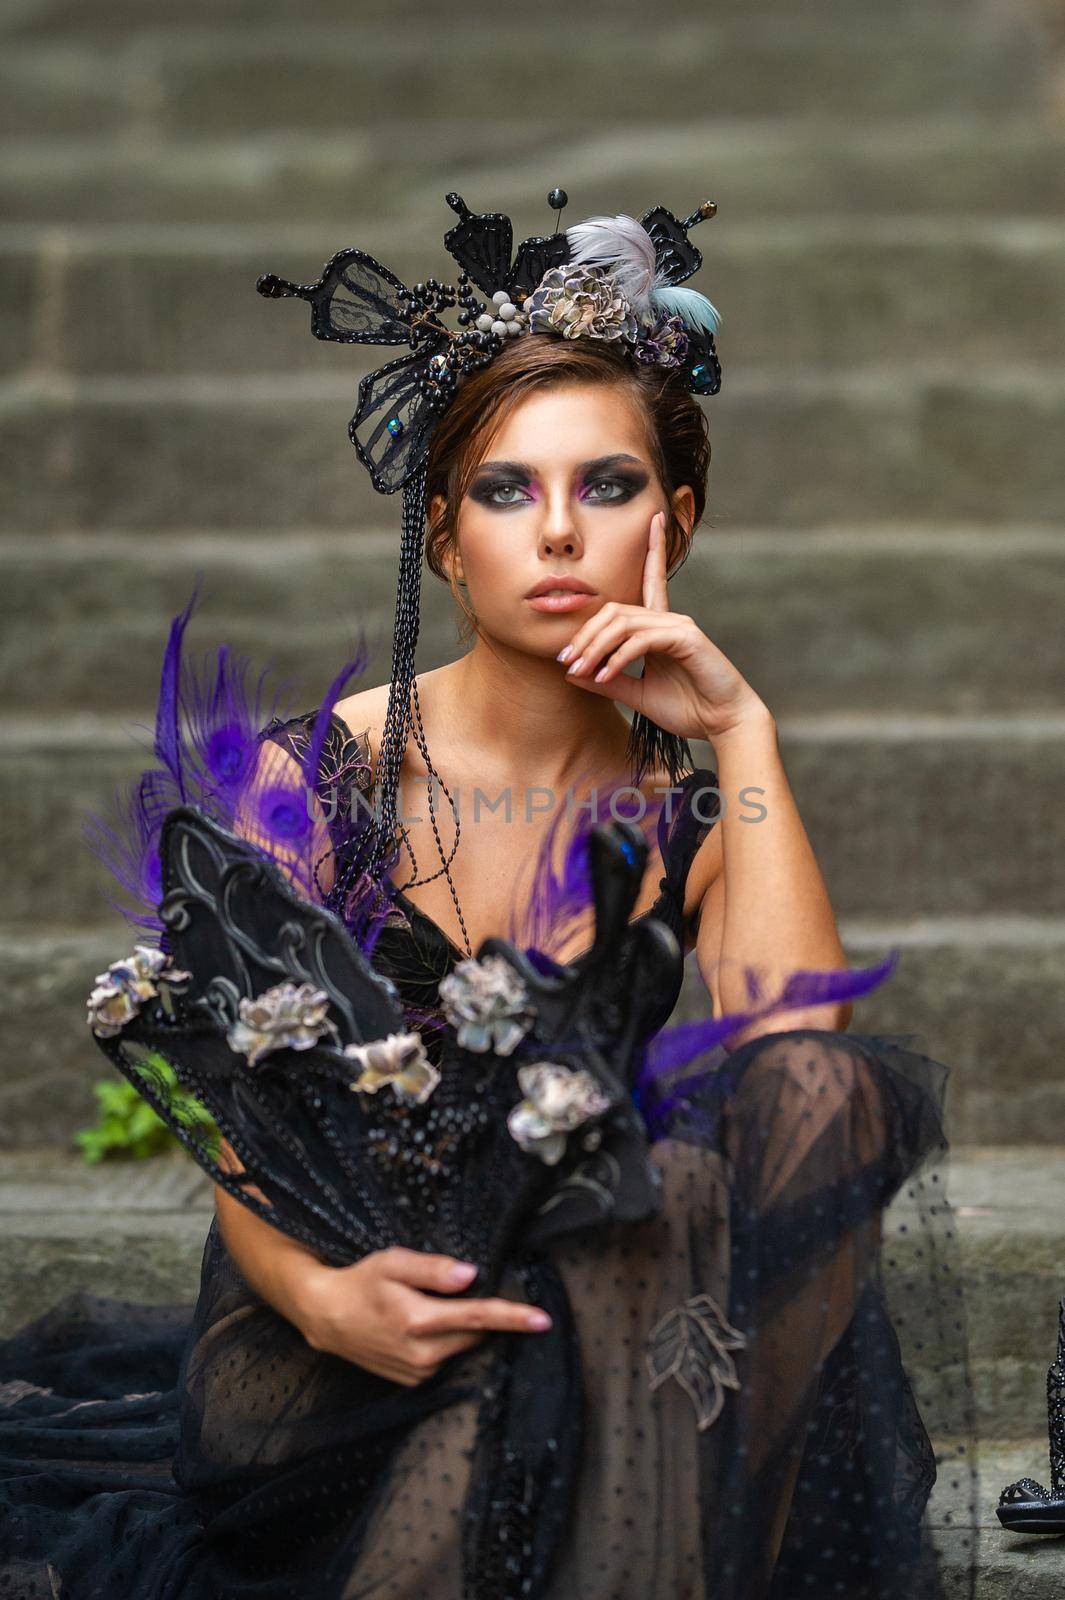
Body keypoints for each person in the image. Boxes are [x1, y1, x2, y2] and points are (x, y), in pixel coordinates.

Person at [0, 192, 978, 1599]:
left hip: (594, 1304)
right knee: (604, 1266)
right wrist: (325, 1296)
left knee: (743, 1148)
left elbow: (805, 1102)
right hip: (339, 1339)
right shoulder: (311, 781)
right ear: (447, 538)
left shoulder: (689, 796)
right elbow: (241, 1123)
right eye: (509, 491)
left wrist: (740, 736)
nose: (561, 533)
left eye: (610, 485)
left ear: (675, 521)